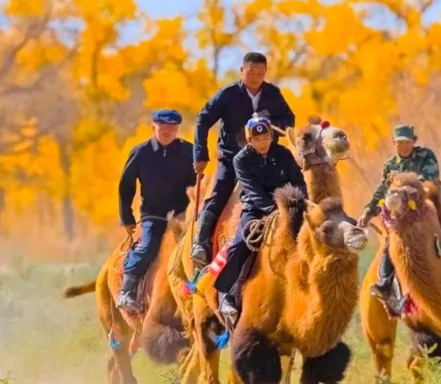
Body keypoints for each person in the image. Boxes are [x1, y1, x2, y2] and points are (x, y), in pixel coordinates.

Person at [358, 125, 441, 310]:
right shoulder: (389, 166)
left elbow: (430, 178)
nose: (403, 146)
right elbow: (382, 190)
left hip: (429, 214)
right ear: (394, 143)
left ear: (414, 141)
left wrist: (407, 184)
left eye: (407, 142)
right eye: (400, 142)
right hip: (402, 221)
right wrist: (368, 211)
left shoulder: (426, 156)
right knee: (389, 247)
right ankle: (385, 284)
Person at [192, 52, 296, 268]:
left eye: (260, 72)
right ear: (242, 71)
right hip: (231, 157)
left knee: (290, 191)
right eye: (251, 72)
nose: (256, 76)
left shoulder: (273, 94)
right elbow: (202, 119)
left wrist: (270, 121)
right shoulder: (228, 94)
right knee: (219, 192)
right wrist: (201, 154)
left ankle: (295, 237)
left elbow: (289, 120)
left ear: (265, 72)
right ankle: (201, 244)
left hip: (266, 158)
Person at [213, 115, 307, 319]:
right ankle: (226, 294)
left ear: (271, 137)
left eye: (265, 137)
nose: (262, 142)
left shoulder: (284, 154)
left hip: (290, 206)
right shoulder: (241, 160)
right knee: (240, 244)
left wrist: (298, 202)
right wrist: (272, 209)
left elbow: (298, 181)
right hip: (255, 209)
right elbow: (252, 190)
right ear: (250, 141)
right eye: (257, 139)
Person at [117, 109, 196, 311]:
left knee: (198, 248)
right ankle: (127, 290)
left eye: (172, 127)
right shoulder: (140, 152)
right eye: (163, 127)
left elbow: (197, 184)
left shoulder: (189, 151)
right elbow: (126, 185)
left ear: (177, 128)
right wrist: (127, 216)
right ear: (154, 127)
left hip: (182, 215)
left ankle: (203, 294)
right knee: (148, 246)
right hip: (153, 214)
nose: (167, 131)